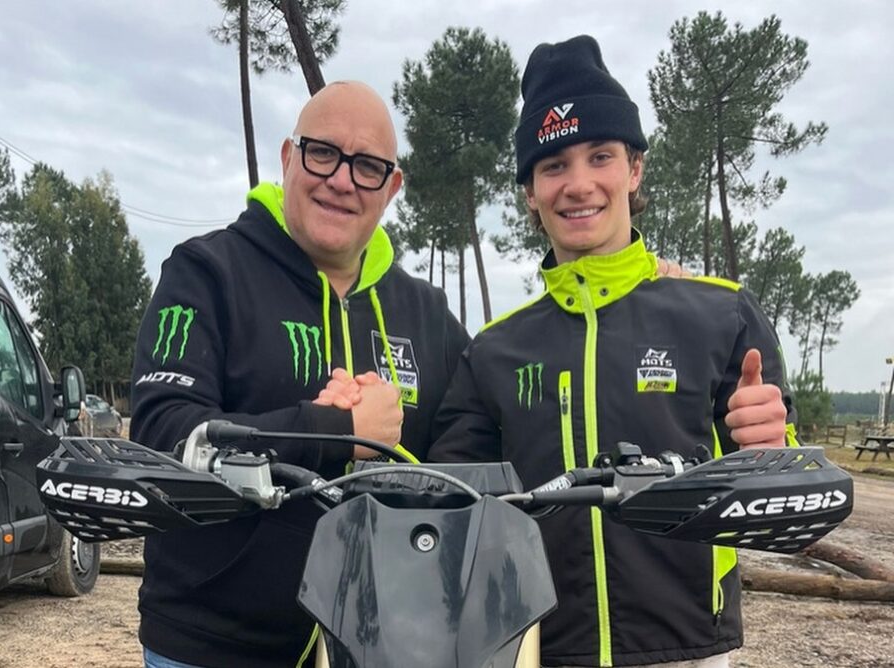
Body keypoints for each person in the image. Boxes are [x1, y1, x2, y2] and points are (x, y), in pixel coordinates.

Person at [428, 36, 798, 668]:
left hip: (684, 646)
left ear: (634, 169)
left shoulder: (722, 312)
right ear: (529, 191)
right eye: (553, 166)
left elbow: (779, 491)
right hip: (539, 646)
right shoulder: (494, 349)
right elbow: (450, 496)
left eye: (600, 156)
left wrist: (772, 448)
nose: (578, 185)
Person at [129, 81, 470, 668]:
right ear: (289, 158)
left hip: (381, 648)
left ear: (391, 187)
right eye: (323, 153)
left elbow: (478, 439)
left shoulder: (428, 314)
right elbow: (163, 440)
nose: (341, 179)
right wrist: (336, 430)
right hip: (212, 645)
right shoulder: (205, 273)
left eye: (367, 166)